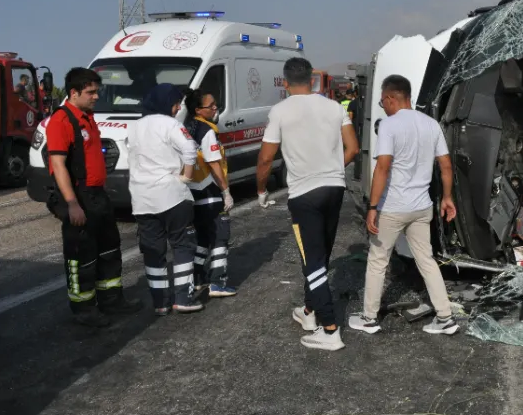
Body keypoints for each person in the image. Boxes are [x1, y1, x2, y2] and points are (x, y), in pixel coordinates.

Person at [256, 57, 360, 351]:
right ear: (312, 80)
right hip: (335, 186)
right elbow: (352, 147)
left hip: (305, 193)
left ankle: (329, 330)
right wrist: (330, 169)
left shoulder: (279, 111)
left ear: (285, 83)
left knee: (312, 260)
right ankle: (309, 311)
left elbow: (265, 159)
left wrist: (261, 190)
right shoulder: (333, 107)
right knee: (320, 253)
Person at [351, 74, 459, 336]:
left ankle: (368, 318)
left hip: (393, 207)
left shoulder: (389, 125)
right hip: (422, 207)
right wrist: (447, 197)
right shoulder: (431, 124)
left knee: (378, 260)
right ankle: (445, 317)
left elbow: (383, 167)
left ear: (390, 98)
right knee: (427, 259)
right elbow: (445, 166)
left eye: (382, 101)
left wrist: (373, 206)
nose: (383, 105)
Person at [46, 67, 142, 326]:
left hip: (98, 195)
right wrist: (72, 203)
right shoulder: (61, 121)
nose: (96, 96)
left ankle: (112, 301)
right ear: (74, 92)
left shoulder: (87, 117)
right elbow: (58, 165)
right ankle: (84, 310)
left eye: (97, 91)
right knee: (82, 255)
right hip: (81, 196)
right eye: (91, 92)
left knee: (109, 249)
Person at [128, 83, 202, 316]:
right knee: (182, 246)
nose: (178, 107)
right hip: (171, 195)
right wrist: (187, 176)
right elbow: (190, 147)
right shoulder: (170, 124)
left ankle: (160, 303)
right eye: (175, 103)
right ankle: (183, 298)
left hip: (141, 198)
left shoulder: (134, 127)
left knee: (153, 251)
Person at [183, 88, 237, 298]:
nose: (215, 108)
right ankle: (218, 282)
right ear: (198, 109)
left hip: (194, 192)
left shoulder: (188, 128)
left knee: (203, 238)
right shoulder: (207, 131)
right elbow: (214, 164)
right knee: (221, 237)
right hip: (210, 191)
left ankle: (199, 279)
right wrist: (226, 191)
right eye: (211, 105)